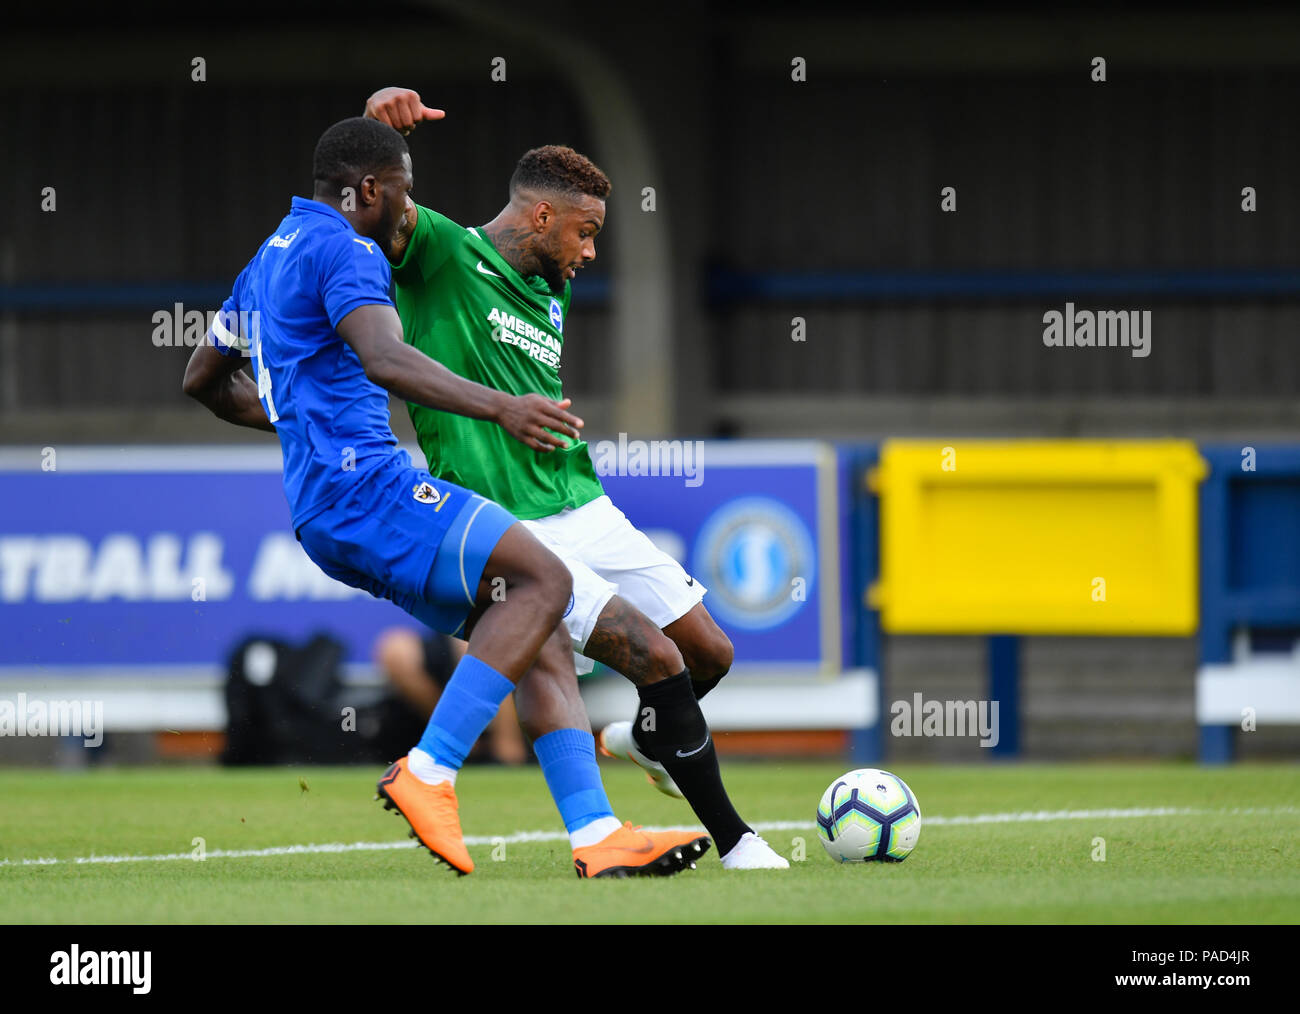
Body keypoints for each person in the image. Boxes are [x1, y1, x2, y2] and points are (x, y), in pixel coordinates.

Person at [182, 116, 708, 879]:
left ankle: (598, 836)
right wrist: (503, 405)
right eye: (403, 191)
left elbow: (200, 378)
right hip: (369, 489)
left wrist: (300, 423)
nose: (408, 207)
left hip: (323, 507)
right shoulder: (349, 249)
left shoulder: (269, 258)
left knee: (538, 628)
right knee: (547, 581)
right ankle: (429, 771)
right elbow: (386, 357)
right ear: (369, 189)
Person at [364, 88, 788, 870]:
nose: (591, 253)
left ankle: (652, 736)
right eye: (585, 233)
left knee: (708, 654)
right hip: (508, 521)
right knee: (650, 658)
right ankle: (737, 842)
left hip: (582, 501)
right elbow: (383, 210)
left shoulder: (551, 284)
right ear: (539, 218)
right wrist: (377, 129)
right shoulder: (444, 254)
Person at [374, 628, 529, 765]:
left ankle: (508, 749)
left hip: (495, 641)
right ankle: (450, 736)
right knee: (397, 649)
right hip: (443, 642)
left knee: (473, 644)